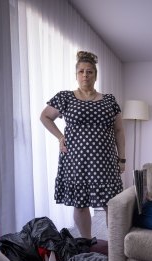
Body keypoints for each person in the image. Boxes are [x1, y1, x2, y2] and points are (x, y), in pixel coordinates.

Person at [40, 51, 125, 239]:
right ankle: (86, 241)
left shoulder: (109, 100)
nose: (85, 75)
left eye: (89, 72)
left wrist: (122, 158)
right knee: (80, 203)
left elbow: (119, 130)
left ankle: (116, 242)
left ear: (95, 75)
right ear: (76, 75)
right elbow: (44, 116)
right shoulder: (65, 97)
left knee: (110, 203)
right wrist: (60, 136)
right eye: (81, 72)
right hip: (76, 160)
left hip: (105, 160)